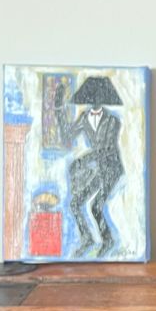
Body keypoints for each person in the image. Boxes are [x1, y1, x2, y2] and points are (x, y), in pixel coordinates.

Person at [54, 76, 125, 257]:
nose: (94, 101)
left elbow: (105, 149)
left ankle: (107, 239)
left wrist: (83, 161)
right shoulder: (85, 117)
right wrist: (58, 109)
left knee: (95, 206)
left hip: (111, 168)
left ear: (103, 98)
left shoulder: (112, 121)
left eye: (97, 97)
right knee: (76, 203)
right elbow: (67, 136)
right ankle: (87, 238)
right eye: (91, 97)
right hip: (98, 168)